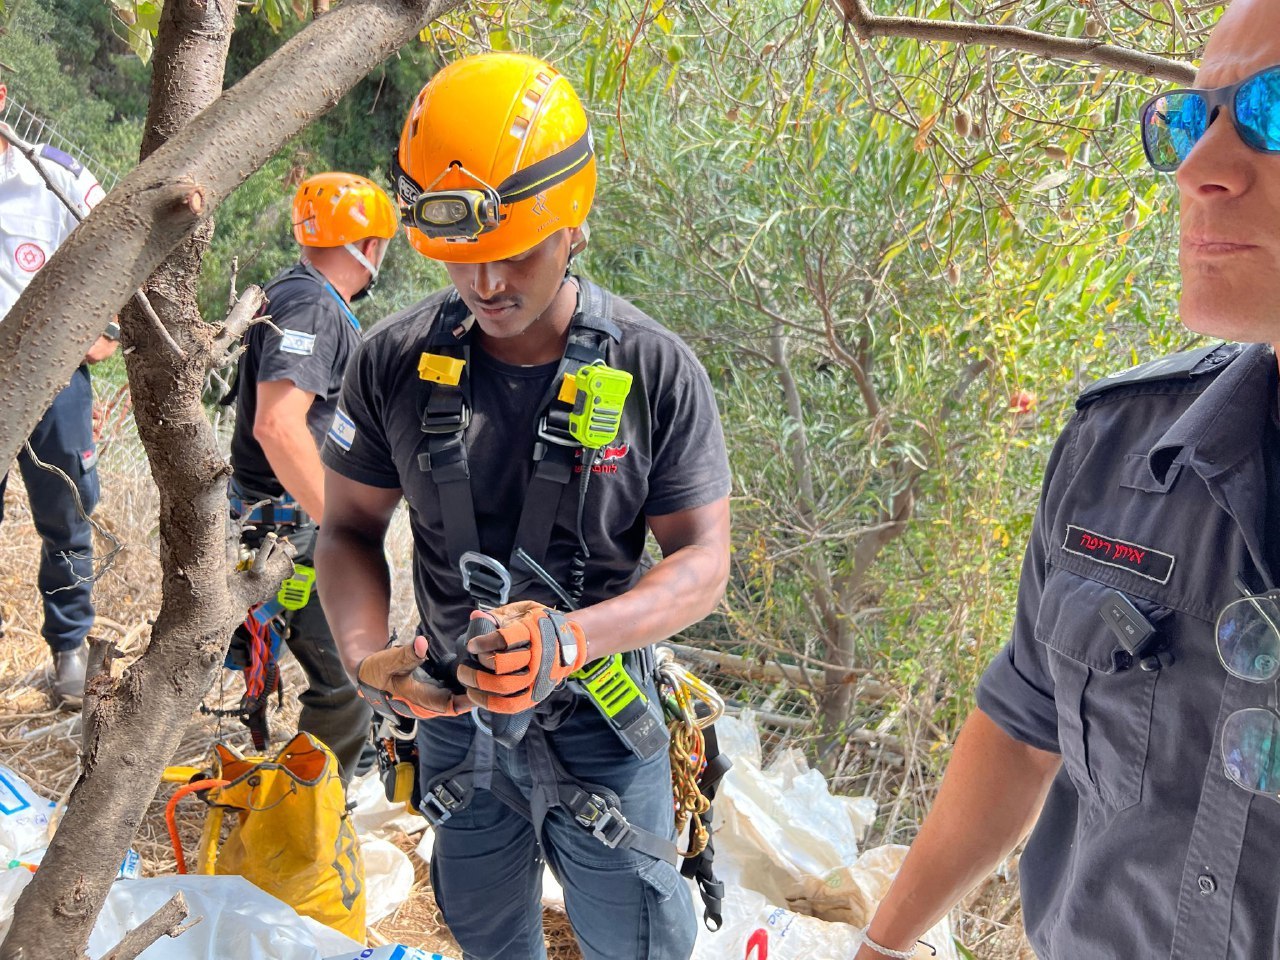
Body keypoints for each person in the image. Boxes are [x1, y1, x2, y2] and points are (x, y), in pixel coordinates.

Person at [854, 3, 1280, 958]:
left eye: (1276, 109)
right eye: (1193, 117)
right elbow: (1022, 726)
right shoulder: (1119, 448)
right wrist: (881, 948)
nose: (1198, 167)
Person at [316, 52, 731, 960]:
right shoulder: (391, 362)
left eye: (516, 253)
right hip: (456, 728)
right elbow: (346, 527)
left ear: (573, 224)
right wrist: (367, 661)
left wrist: (574, 638)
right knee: (489, 939)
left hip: (607, 723)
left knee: (641, 943)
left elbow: (701, 563)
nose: (488, 284)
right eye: (465, 260)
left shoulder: (651, 371)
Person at [227, 172, 395, 782]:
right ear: (372, 247)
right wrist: (341, 525)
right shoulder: (314, 307)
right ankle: (319, 799)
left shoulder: (295, 292)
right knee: (354, 673)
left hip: (273, 516)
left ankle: (344, 774)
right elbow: (278, 425)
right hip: (289, 524)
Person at [0, 80, 115, 707]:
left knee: (67, 514)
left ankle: (70, 649)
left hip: (53, 371)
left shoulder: (55, 175)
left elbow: (123, 243)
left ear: (1, 96)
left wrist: (106, 330)